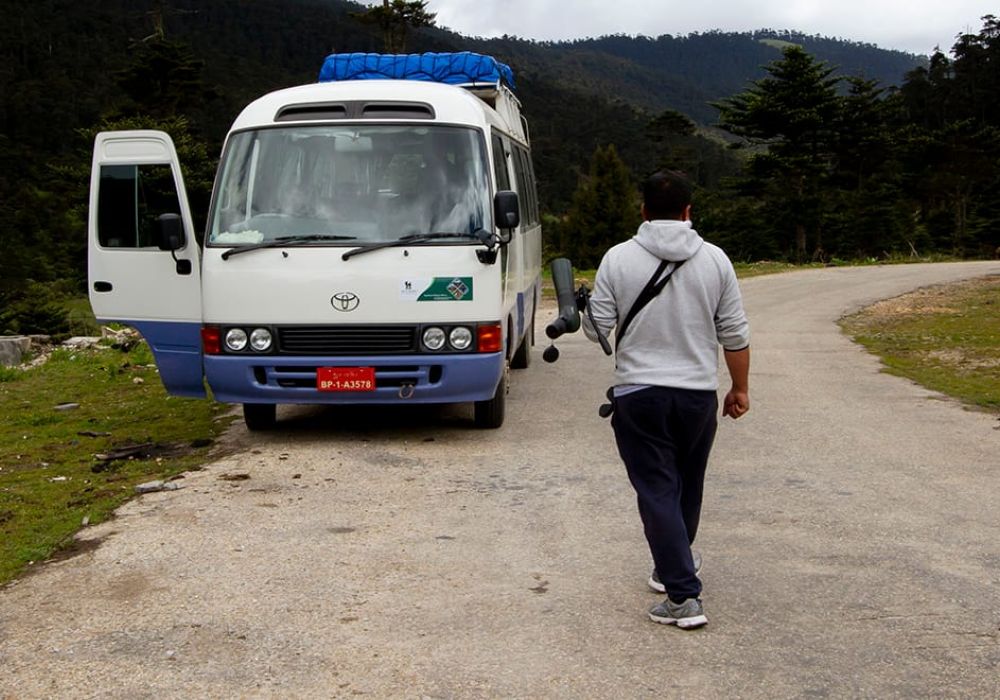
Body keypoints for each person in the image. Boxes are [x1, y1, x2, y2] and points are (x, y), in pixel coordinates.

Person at [582, 170, 750, 630]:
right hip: (697, 394)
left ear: (643, 211)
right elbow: (734, 333)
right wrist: (739, 388)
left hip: (640, 393)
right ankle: (671, 566)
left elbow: (598, 328)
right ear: (688, 211)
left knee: (657, 488)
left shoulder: (617, 259)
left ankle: (682, 596)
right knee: (686, 484)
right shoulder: (716, 260)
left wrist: (583, 310)